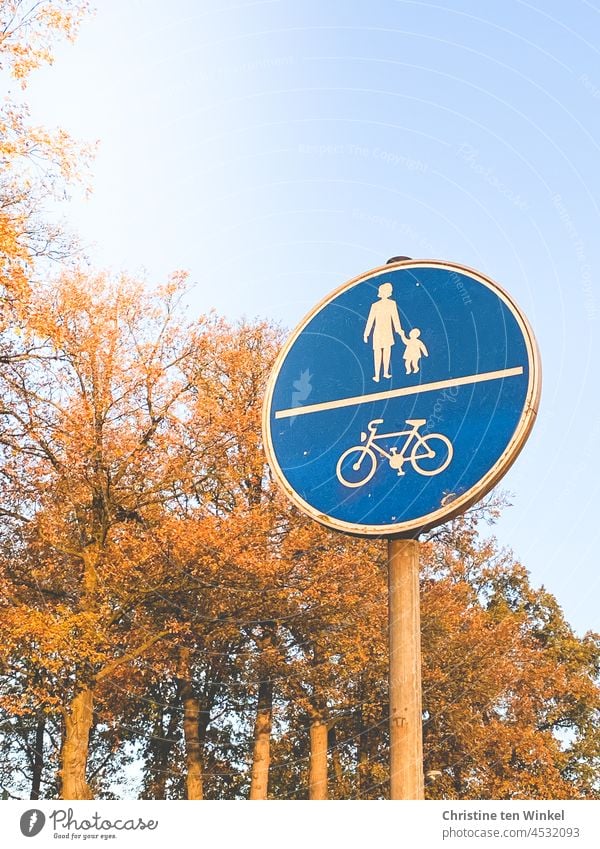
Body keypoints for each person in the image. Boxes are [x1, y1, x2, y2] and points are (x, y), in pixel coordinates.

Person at [363, 282, 404, 381]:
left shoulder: (392, 304)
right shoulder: (375, 305)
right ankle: (377, 375)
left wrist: (399, 330)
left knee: (387, 351)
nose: (385, 293)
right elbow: (370, 320)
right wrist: (366, 333)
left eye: (387, 291)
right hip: (378, 332)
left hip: (388, 331)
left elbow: (395, 318)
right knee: (377, 353)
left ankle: (385, 372)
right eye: (383, 291)